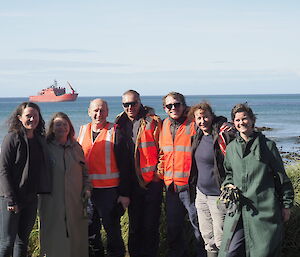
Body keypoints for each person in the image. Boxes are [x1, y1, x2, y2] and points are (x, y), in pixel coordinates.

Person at [218, 103, 294, 257]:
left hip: (264, 211)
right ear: (234, 123)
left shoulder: (268, 146)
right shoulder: (232, 148)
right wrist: (228, 185)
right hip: (238, 211)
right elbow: (229, 173)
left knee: (262, 252)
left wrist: (286, 205)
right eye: (237, 120)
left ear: (252, 120)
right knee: (229, 252)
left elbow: (282, 178)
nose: (241, 123)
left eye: (244, 119)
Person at [115, 89, 163, 257]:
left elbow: (164, 149)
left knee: (150, 227)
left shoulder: (153, 121)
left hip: (152, 183)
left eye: (133, 103)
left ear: (140, 102)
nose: (130, 107)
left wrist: (158, 174)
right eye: (126, 104)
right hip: (131, 184)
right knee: (135, 227)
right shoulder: (119, 122)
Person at [158, 92, 206, 257]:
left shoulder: (193, 123)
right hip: (171, 187)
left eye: (177, 104)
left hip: (190, 186)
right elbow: (163, 153)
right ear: (164, 109)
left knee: (199, 227)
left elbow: (211, 120)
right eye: (169, 106)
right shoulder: (163, 125)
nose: (173, 108)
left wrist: (223, 122)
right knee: (173, 228)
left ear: (184, 105)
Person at [0, 102, 50, 257]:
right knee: (7, 242)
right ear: (19, 118)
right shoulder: (12, 138)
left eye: (35, 116)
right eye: (28, 115)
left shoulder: (40, 139)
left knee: (22, 242)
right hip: (11, 198)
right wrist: (10, 199)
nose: (32, 119)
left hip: (31, 198)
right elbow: (3, 169)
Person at [77, 99, 126, 257]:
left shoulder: (115, 131)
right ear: (89, 112)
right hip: (87, 191)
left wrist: (124, 194)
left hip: (109, 191)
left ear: (107, 112)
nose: (99, 114)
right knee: (90, 231)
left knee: (112, 231)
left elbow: (126, 165)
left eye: (102, 110)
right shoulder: (83, 130)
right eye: (96, 110)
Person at [39, 112, 91, 257]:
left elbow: (85, 172)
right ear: (52, 128)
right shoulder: (45, 147)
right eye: (58, 124)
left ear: (69, 127)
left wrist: (87, 189)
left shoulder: (76, 147)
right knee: (53, 237)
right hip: (51, 202)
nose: (61, 127)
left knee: (77, 239)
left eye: (64, 124)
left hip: (76, 202)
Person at [188, 102, 234, 257]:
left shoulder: (222, 134)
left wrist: (231, 126)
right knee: (208, 239)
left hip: (218, 196)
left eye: (205, 117)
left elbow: (234, 135)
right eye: (199, 118)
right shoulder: (198, 136)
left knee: (222, 240)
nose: (203, 121)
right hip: (201, 194)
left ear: (211, 116)